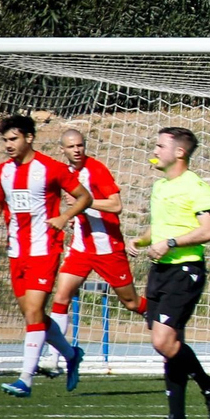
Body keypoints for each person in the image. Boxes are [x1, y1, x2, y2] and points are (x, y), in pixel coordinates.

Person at [0, 114, 93, 398]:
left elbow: (84, 197)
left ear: (29, 138)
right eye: (5, 140)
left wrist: (65, 216)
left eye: (14, 139)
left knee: (33, 312)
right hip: (16, 251)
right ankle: (71, 355)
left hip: (44, 249)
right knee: (33, 315)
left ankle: (25, 379)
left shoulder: (51, 168)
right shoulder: (3, 171)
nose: (8, 145)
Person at [139, 127, 210, 419]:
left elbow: (208, 230)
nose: (155, 150)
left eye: (161, 145)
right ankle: (177, 418)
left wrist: (172, 243)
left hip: (185, 271)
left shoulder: (196, 187)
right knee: (170, 345)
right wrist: (139, 241)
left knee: (163, 340)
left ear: (179, 152)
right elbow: (160, 228)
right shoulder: (161, 186)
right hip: (160, 271)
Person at [45, 129, 146, 369]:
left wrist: (86, 202)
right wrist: (73, 217)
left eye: (80, 145)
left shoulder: (96, 170)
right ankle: (54, 359)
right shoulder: (66, 173)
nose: (77, 150)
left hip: (108, 248)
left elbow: (116, 204)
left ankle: (165, 319)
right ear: (63, 150)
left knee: (131, 303)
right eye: (71, 147)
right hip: (81, 248)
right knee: (61, 297)